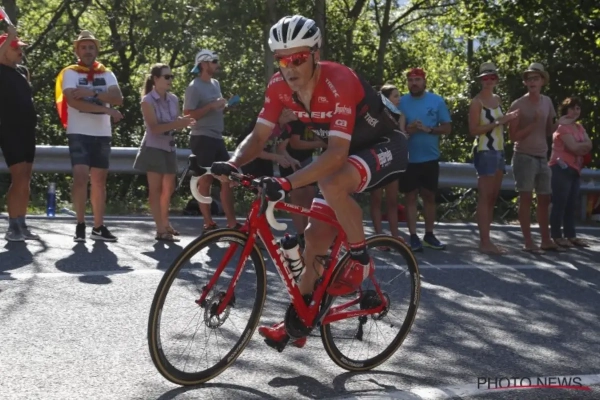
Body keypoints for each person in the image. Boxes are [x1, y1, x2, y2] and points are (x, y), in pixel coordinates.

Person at [210, 15, 408, 349]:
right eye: (282, 59)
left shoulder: (339, 80)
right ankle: (298, 325)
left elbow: (336, 154)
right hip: (344, 153)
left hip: (383, 145)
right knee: (314, 240)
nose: (290, 67)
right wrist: (232, 163)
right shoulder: (278, 87)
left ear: (315, 54)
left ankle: (360, 261)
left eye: (298, 58)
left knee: (331, 182)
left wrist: (286, 184)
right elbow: (258, 137)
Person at [55, 30, 124, 242]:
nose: (87, 51)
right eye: (83, 47)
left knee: (99, 180)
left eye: (91, 47)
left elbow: (118, 98)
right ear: (77, 50)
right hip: (78, 131)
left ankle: (98, 226)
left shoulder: (107, 73)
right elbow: (74, 102)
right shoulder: (71, 73)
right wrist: (106, 109)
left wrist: (91, 93)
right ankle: (80, 224)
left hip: (102, 132)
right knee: (80, 176)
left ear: (96, 50)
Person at [507, 63, 569, 253]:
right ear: (525, 82)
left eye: (536, 78)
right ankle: (528, 242)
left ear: (542, 81)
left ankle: (545, 240)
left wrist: (560, 123)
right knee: (525, 198)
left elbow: (548, 131)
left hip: (543, 157)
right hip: (523, 156)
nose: (532, 82)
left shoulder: (547, 101)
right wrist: (533, 123)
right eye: (529, 78)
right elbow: (513, 136)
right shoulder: (518, 104)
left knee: (544, 199)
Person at [133, 63, 195, 242]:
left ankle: (166, 223)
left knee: (169, 188)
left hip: (169, 147)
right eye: (166, 76)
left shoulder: (173, 99)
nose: (170, 80)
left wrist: (183, 122)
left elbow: (175, 123)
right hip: (153, 147)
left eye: (171, 76)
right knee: (156, 189)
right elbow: (154, 128)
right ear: (155, 79)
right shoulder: (147, 101)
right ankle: (160, 229)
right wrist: (177, 124)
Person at [183, 49, 239, 232]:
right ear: (203, 64)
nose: (217, 64)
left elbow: (216, 110)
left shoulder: (216, 83)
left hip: (217, 137)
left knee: (227, 178)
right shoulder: (194, 87)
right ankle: (208, 223)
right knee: (205, 180)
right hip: (202, 138)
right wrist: (211, 106)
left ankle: (232, 223)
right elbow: (188, 115)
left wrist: (227, 106)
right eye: (214, 61)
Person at [398, 68, 452, 252]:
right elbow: (395, 130)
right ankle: (413, 236)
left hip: (430, 157)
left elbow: (447, 128)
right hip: (408, 158)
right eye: (411, 80)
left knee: (429, 196)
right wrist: (410, 129)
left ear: (424, 81)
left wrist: (429, 129)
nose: (414, 83)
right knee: (410, 197)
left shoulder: (436, 101)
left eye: (417, 80)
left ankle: (429, 235)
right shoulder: (401, 102)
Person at [468, 62, 519, 254]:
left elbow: (501, 124)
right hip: (485, 150)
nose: (488, 81)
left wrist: (509, 120)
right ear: (480, 80)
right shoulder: (477, 102)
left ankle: (487, 240)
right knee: (485, 196)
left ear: (496, 80)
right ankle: (484, 242)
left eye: (492, 77)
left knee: (492, 197)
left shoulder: (497, 99)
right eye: (485, 78)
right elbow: (473, 130)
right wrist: (499, 121)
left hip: (499, 150)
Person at [0, 27, 39, 241]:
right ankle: (12, 226)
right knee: (17, 177)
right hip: (9, 129)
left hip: (27, 129)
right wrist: (9, 37)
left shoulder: (22, 71)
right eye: (15, 48)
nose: (20, 52)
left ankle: (22, 223)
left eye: (20, 48)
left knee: (25, 178)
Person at [548, 96, 592, 248]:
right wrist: (581, 147)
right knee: (560, 203)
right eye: (572, 108)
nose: (575, 111)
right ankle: (556, 236)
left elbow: (589, 144)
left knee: (571, 204)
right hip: (561, 167)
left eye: (578, 108)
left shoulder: (579, 127)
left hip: (575, 168)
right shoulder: (562, 127)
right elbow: (573, 147)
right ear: (566, 110)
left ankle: (571, 235)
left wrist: (581, 147)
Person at [277, 108, 324, 246]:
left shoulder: (317, 120)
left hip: (307, 159)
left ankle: (309, 233)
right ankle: (301, 234)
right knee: (297, 196)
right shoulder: (298, 118)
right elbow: (295, 143)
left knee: (310, 195)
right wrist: (322, 143)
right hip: (291, 160)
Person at [370, 84, 403, 248]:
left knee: (392, 201)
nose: (399, 99)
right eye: (395, 96)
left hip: (393, 159)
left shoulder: (400, 115)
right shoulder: (375, 114)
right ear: (386, 98)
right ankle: (379, 237)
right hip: (377, 159)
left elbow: (401, 136)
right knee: (376, 200)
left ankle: (395, 237)